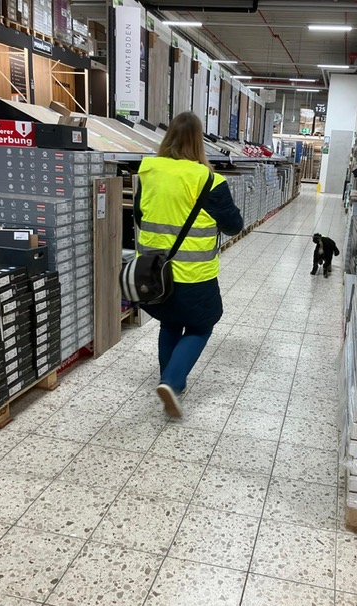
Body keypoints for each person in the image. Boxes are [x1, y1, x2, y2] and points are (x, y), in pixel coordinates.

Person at [134, 111, 243, 418]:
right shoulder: (208, 180)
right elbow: (233, 226)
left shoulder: (149, 172)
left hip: (154, 271)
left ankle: (170, 382)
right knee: (201, 325)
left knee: (170, 322)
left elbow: (140, 217)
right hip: (194, 275)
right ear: (198, 142)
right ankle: (171, 380)